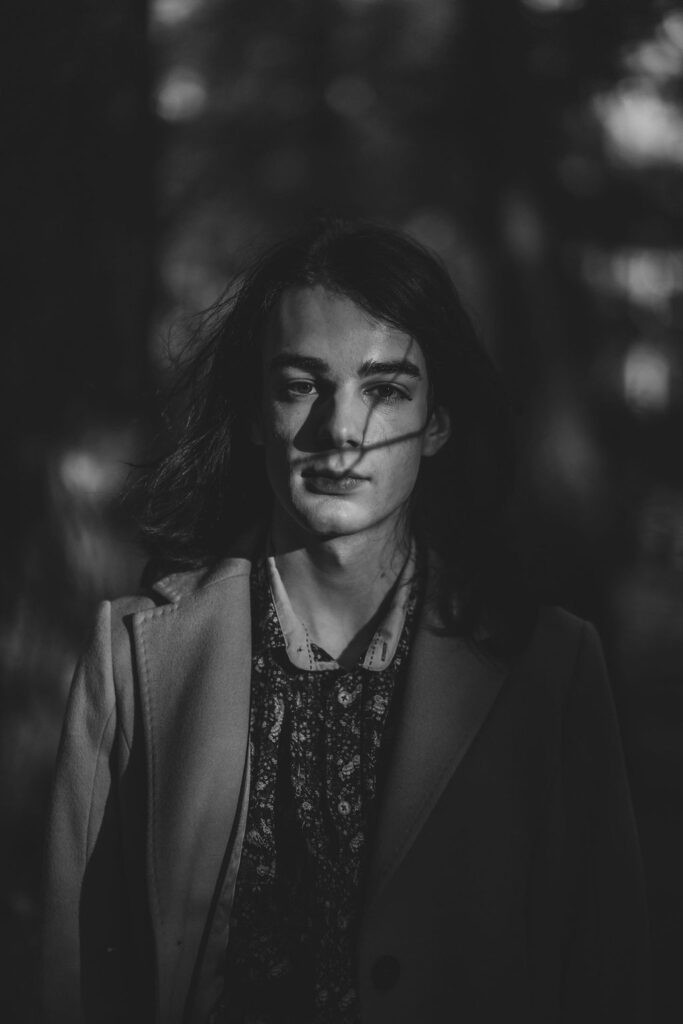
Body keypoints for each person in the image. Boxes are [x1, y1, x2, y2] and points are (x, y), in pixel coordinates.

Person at [42, 218, 650, 1024]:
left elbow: (608, 980)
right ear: (253, 412)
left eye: (385, 390)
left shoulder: (551, 667)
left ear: (437, 421)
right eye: (301, 385)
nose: (339, 431)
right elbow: (73, 983)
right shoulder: (129, 661)